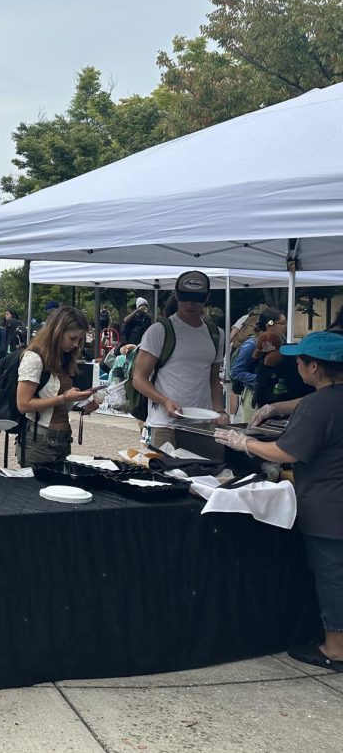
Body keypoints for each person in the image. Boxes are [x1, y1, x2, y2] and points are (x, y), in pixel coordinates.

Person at [215, 330, 343, 673]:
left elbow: (285, 451)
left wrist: (243, 442)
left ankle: (335, 648)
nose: (295, 366)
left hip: (329, 507)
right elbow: (306, 406)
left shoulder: (320, 405)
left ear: (313, 367)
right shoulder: (325, 399)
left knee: (332, 576)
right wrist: (274, 407)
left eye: (299, 361)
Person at [132, 270, 227, 449]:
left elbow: (214, 379)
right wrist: (164, 400)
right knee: (164, 475)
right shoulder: (159, 331)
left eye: (196, 298)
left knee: (202, 475)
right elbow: (139, 379)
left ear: (206, 297)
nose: (190, 303)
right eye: (184, 297)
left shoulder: (216, 334)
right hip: (165, 425)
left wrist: (219, 410)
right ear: (176, 295)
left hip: (202, 423)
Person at [16, 304, 99, 465]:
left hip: (62, 439)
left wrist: (79, 405)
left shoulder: (64, 358)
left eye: (80, 340)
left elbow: (54, 398)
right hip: (39, 440)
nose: (76, 345)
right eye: (73, 338)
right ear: (57, 333)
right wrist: (64, 398)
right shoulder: (34, 358)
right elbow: (23, 404)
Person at [230, 307, 286, 422]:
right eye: (282, 323)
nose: (285, 326)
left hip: (272, 396)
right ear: (269, 324)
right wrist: (260, 379)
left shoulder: (280, 341)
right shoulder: (251, 345)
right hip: (253, 398)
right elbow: (236, 371)